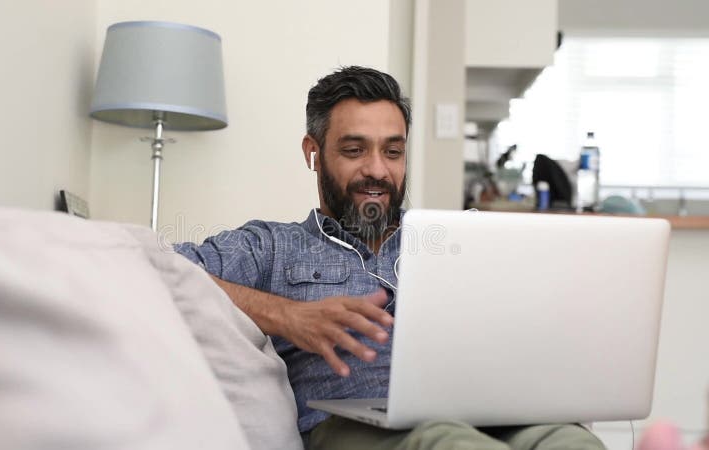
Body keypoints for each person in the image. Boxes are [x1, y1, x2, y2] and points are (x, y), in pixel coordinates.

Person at [175, 66, 605, 450]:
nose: (378, 170)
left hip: (481, 414)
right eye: (354, 150)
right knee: (448, 443)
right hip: (349, 427)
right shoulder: (271, 246)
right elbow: (154, 267)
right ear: (313, 151)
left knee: (568, 439)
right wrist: (288, 315)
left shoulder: (459, 240)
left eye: (393, 152)